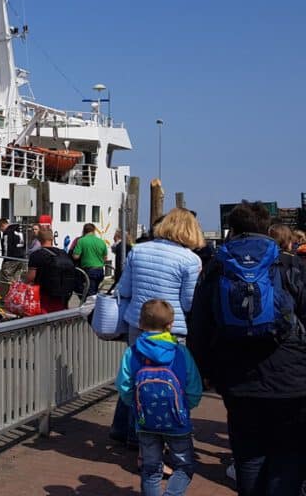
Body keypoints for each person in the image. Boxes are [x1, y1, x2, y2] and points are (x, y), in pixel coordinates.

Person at [189, 202, 306, 495]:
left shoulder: (217, 267)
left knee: (249, 455)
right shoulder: (290, 264)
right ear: (267, 229)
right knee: (288, 455)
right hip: (292, 379)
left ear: (233, 230)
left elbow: (200, 327)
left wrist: (206, 373)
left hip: (238, 377)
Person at [109, 208, 203, 446]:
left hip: (138, 324)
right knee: (171, 380)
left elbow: (124, 289)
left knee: (137, 377)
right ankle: (168, 434)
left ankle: (132, 434)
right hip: (172, 329)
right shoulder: (191, 260)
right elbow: (188, 302)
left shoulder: (138, 250)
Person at [116, 299, 202, 496]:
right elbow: (194, 386)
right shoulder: (180, 352)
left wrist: (136, 406)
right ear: (170, 325)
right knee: (184, 466)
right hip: (177, 421)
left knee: (150, 468)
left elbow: (124, 385)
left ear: (140, 323)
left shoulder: (133, 352)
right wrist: (186, 406)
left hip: (145, 421)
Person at [26, 229, 76, 313]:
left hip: (44, 294)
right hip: (63, 292)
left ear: (39, 240)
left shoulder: (36, 255)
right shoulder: (63, 253)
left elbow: (31, 277)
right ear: (52, 239)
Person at [72, 223, 109, 298]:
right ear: (94, 230)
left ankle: (92, 308)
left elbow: (76, 256)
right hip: (100, 271)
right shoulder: (101, 241)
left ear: (84, 230)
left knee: (90, 294)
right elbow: (105, 258)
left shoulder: (81, 241)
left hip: (89, 271)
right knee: (95, 291)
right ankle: (95, 307)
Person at [0, 218, 28, 297]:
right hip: (21, 258)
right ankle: (14, 295)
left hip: (11, 258)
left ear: (2, 225)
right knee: (16, 277)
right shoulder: (18, 230)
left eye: (0, 228)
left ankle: (6, 296)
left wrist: (5, 257)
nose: (1, 231)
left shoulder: (7, 232)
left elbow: (6, 246)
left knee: (5, 274)